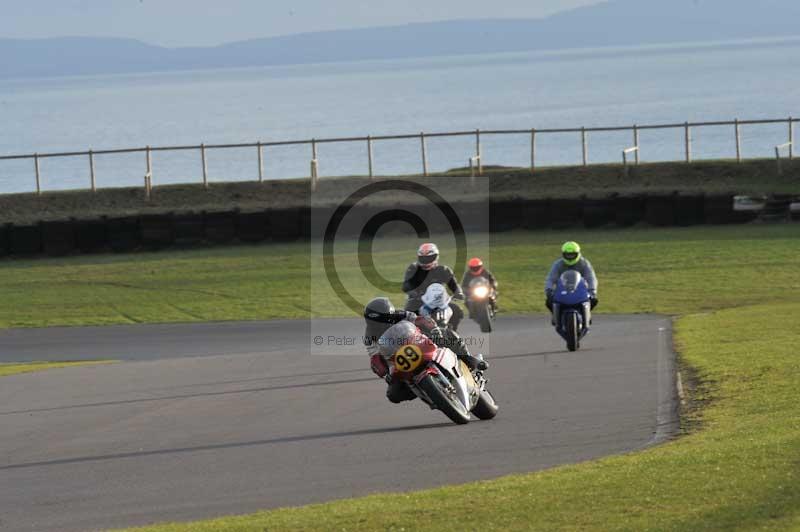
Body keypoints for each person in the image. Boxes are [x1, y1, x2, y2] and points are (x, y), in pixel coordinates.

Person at [363, 297, 487, 403]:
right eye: (371, 321)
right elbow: (375, 358)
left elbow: (420, 319)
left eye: (378, 321)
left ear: (389, 316)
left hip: (419, 343)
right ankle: (429, 392)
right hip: (400, 362)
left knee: (447, 334)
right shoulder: (369, 337)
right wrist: (384, 373)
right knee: (393, 395)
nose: (374, 325)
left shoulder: (399, 314)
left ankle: (469, 358)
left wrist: (434, 329)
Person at [402, 243, 465, 331]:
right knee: (407, 316)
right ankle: (409, 336)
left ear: (436, 257)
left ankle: (453, 332)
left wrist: (458, 293)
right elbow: (406, 285)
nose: (426, 260)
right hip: (418, 300)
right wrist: (412, 292)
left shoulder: (443, 270)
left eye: (428, 258)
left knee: (457, 310)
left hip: (440, 301)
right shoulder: (413, 269)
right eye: (423, 258)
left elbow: (453, 285)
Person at [544, 241, 598, 322]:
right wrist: (548, 289)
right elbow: (551, 278)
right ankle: (556, 316)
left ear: (578, 253)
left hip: (580, 290)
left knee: (594, 300)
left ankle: (586, 315)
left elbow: (591, 278)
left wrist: (592, 290)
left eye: (572, 254)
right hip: (562, 289)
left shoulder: (584, 263)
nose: (570, 257)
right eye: (567, 255)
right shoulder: (558, 264)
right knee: (549, 302)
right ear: (563, 254)